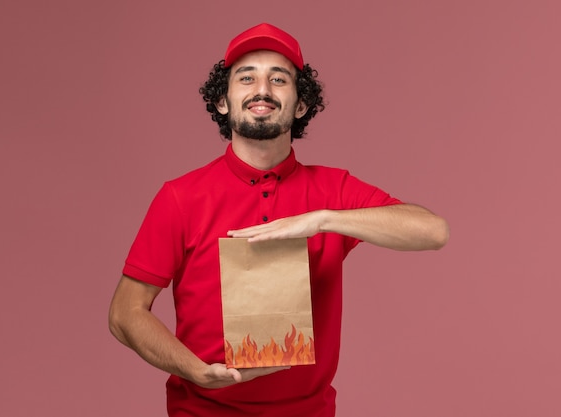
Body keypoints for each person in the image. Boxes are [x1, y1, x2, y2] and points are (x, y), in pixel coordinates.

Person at [109, 23, 449, 417]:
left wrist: (323, 219)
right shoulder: (181, 197)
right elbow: (124, 313)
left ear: (300, 104)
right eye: (247, 77)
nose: (263, 90)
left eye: (279, 79)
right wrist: (195, 371)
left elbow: (433, 231)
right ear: (223, 100)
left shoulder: (333, 189)